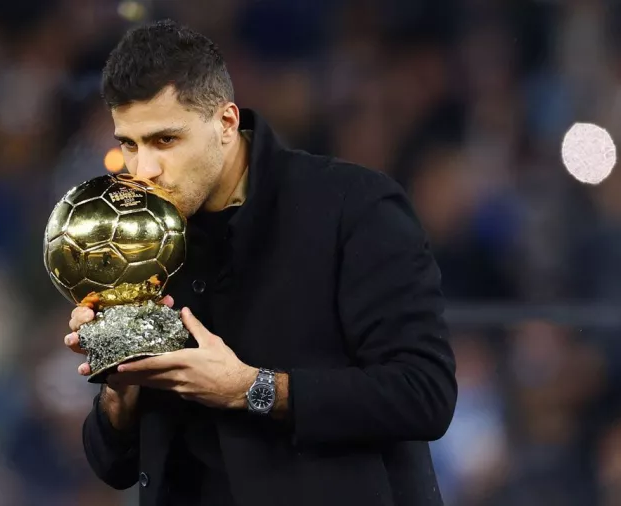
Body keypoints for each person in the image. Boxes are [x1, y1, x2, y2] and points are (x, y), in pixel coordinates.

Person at [63, 19, 458, 506]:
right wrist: (119, 393)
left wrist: (253, 388)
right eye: (130, 144)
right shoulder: (139, 244)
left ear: (226, 123)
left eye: (165, 140)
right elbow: (116, 465)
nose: (144, 169)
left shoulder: (353, 206)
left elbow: (424, 395)